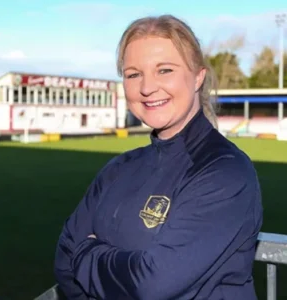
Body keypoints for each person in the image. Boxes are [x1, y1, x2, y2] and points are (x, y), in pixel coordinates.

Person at [54, 14, 263, 300]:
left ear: (198, 77)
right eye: (133, 74)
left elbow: (153, 284)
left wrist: (88, 254)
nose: (147, 87)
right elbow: (64, 261)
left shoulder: (225, 172)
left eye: (164, 70)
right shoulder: (118, 168)